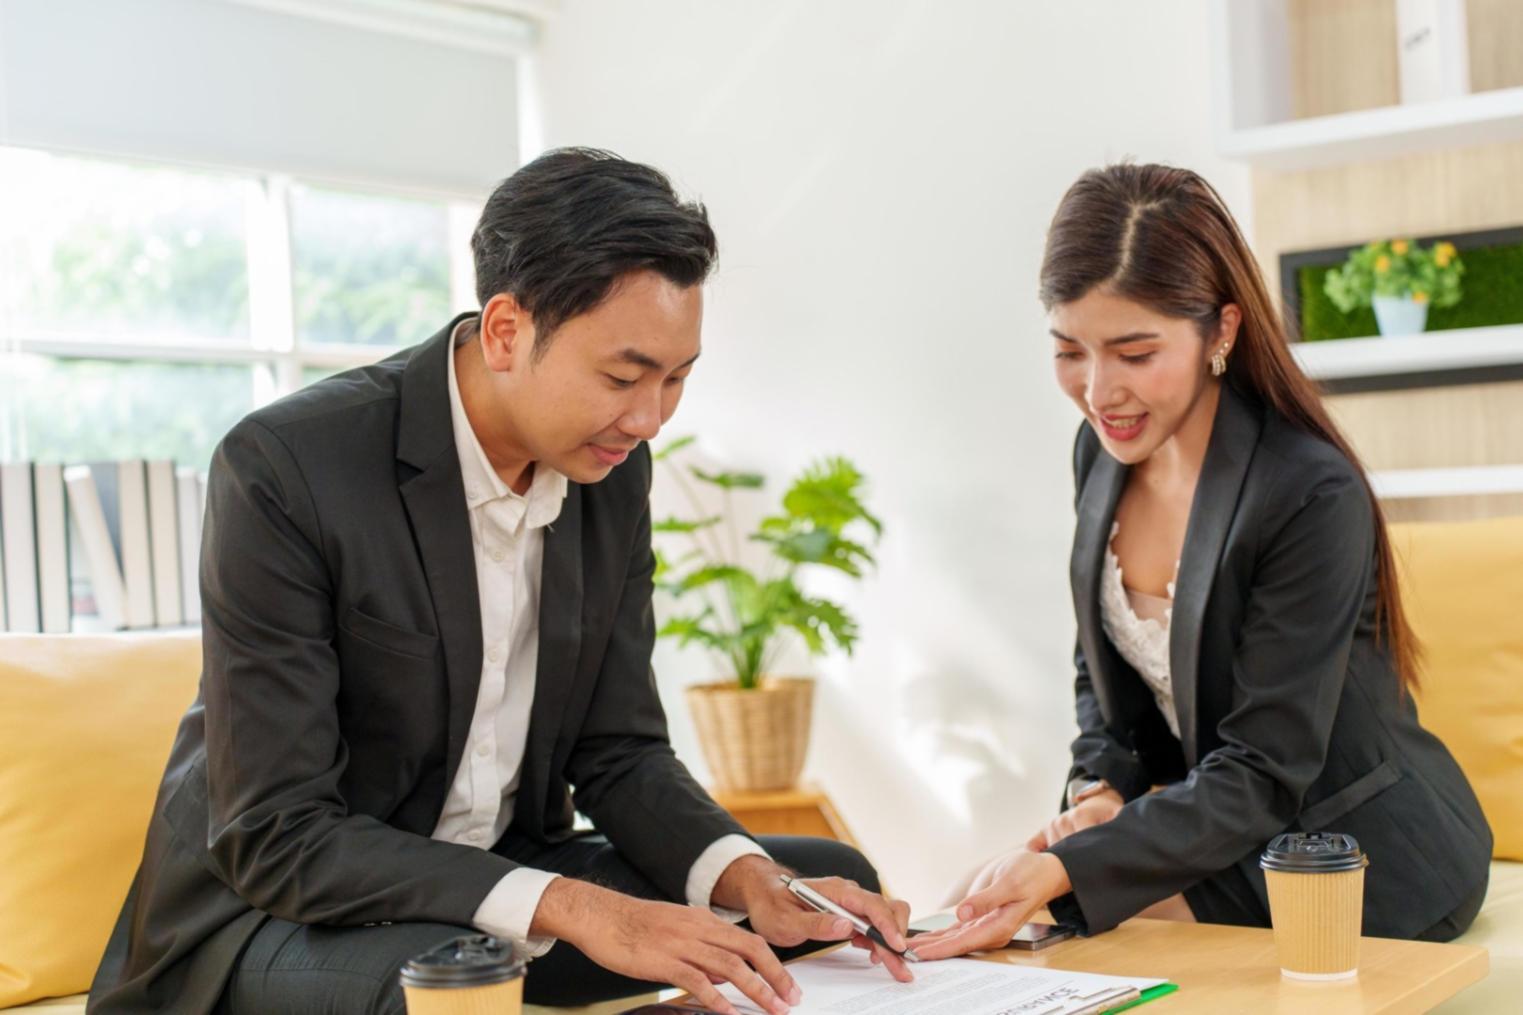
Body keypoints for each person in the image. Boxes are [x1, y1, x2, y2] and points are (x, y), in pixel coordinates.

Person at [89, 148, 911, 1015]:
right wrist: (575, 906)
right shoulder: (286, 467)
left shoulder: (610, 470)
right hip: (276, 916)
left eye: (676, 379)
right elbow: (278, 832)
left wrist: (747, 874)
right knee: (446, 984)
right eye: (623, 376)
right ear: (507, 330)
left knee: (817, 901)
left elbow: (618, 750)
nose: (648, 418)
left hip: (498, 892)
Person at [913, 163, 1492, 961]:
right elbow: (1102, 673)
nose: (1096, 390)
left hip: (1352, 844)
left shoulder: (1307, 492)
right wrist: (1100, 791)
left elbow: (1263, 766)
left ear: (1220, 330)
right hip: (1223, 828)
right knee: (965, 905)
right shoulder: (1102, 452)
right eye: (1068, 351)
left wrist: (1065, 865)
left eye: (1133, 352)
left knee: (1046, 933)